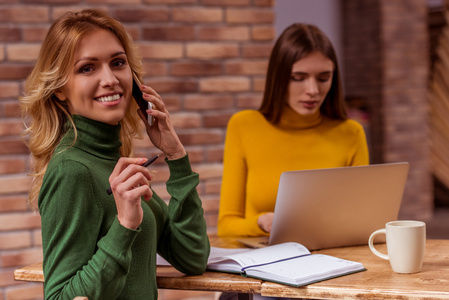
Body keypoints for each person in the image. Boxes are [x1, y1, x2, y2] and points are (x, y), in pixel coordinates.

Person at [20, 9, 210, 299]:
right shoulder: (72, 169)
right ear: (59, 88)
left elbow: (192, 257)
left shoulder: (113, 162)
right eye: (87, 68)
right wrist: (125, 226)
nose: (109, 79)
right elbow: (59, 296)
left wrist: (176, 156)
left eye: (118, 63)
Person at [217, 23, 369, 238]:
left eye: (324, 78)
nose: (313, 90)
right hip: (265, 260)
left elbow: (364, 219)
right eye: (298, 78)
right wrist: (261, 222)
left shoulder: (351, 133)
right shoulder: (244, 126)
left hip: (335, 257)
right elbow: (226, 225)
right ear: (279, 78)